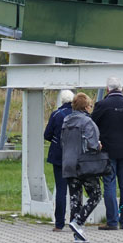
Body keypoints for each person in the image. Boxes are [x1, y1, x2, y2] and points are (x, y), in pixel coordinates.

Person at [91, 76, 123, 230]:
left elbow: (93, 124)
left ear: (107, 89)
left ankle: (112, 221)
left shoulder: (101, 105)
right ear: (121, 88)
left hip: (108, 150)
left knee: (109, 185)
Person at [61, 92, 105, 242]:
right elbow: (92, 144)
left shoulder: (66, 121)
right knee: (96, 195)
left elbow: (62, 141)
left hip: (68, 163)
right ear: (86, 107)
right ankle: (78, 221)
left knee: (75, 198)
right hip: (84, 164)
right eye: (90, 105)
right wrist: (98, 146)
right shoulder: (87, 122)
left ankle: (77, 234)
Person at [43, 89, 74, 232]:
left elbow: (47, 134)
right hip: (76, 157)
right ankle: (76, 221)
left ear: (61, 100)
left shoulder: (56, 114)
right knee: (75, 190)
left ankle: (59, 223)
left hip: (59, 156)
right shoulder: (79, 115)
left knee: (61, 190)